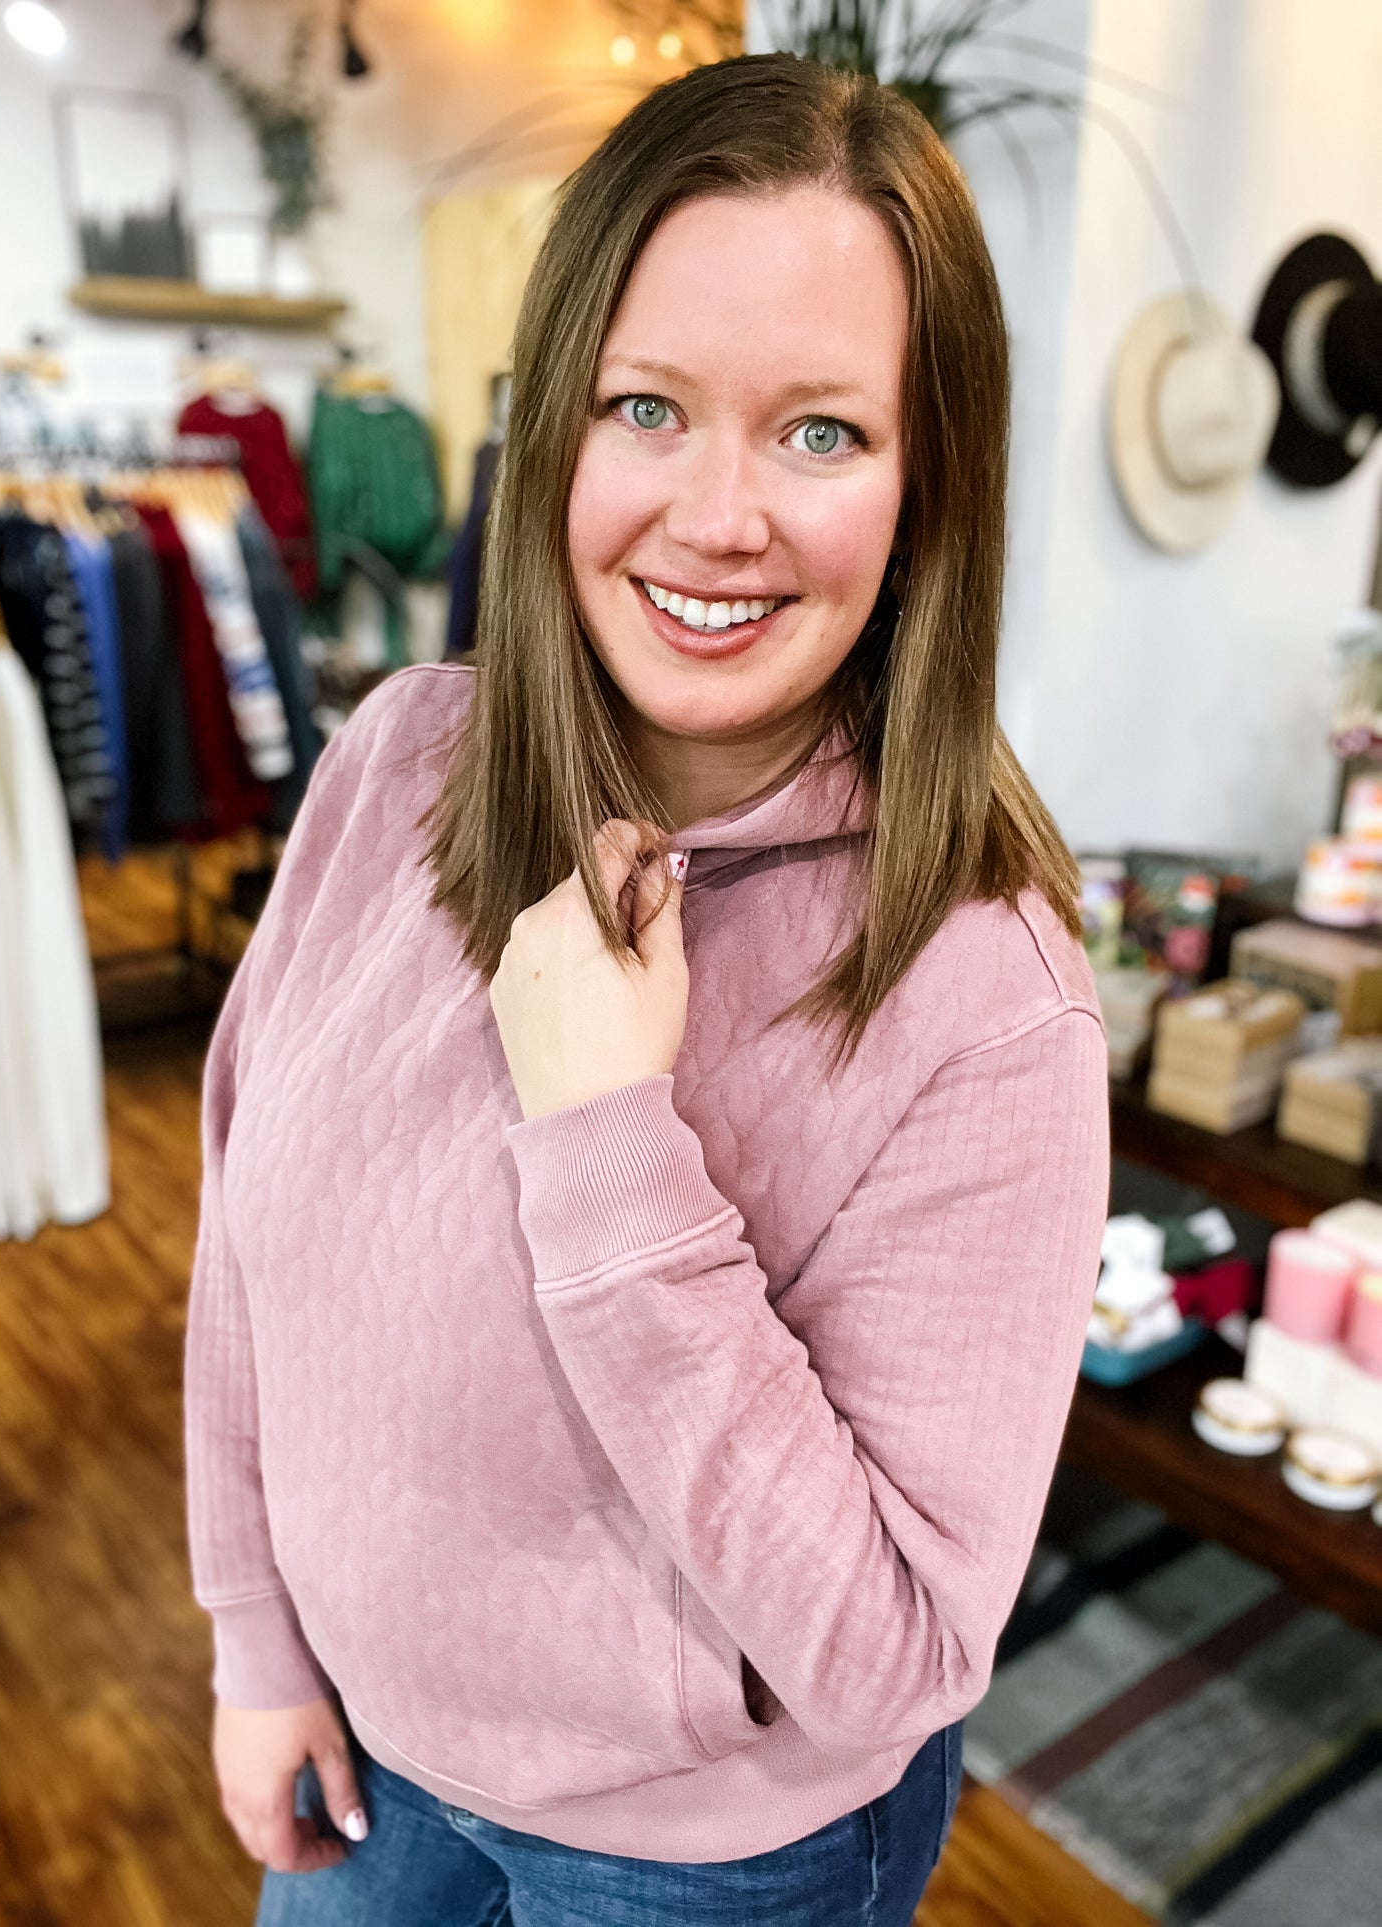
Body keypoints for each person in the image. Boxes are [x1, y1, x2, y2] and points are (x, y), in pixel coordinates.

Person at [185, 52, 1110, 1927]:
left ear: (930, 487)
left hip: (699, 1860)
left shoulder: (987, 999)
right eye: (647, 407)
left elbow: (893, 1654)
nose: (715, 514)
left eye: (820, 433)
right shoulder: (392, 763)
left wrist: (609, 1143)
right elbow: (242, 1235)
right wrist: (254, 1632)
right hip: (367, 1751)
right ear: (559, 431)